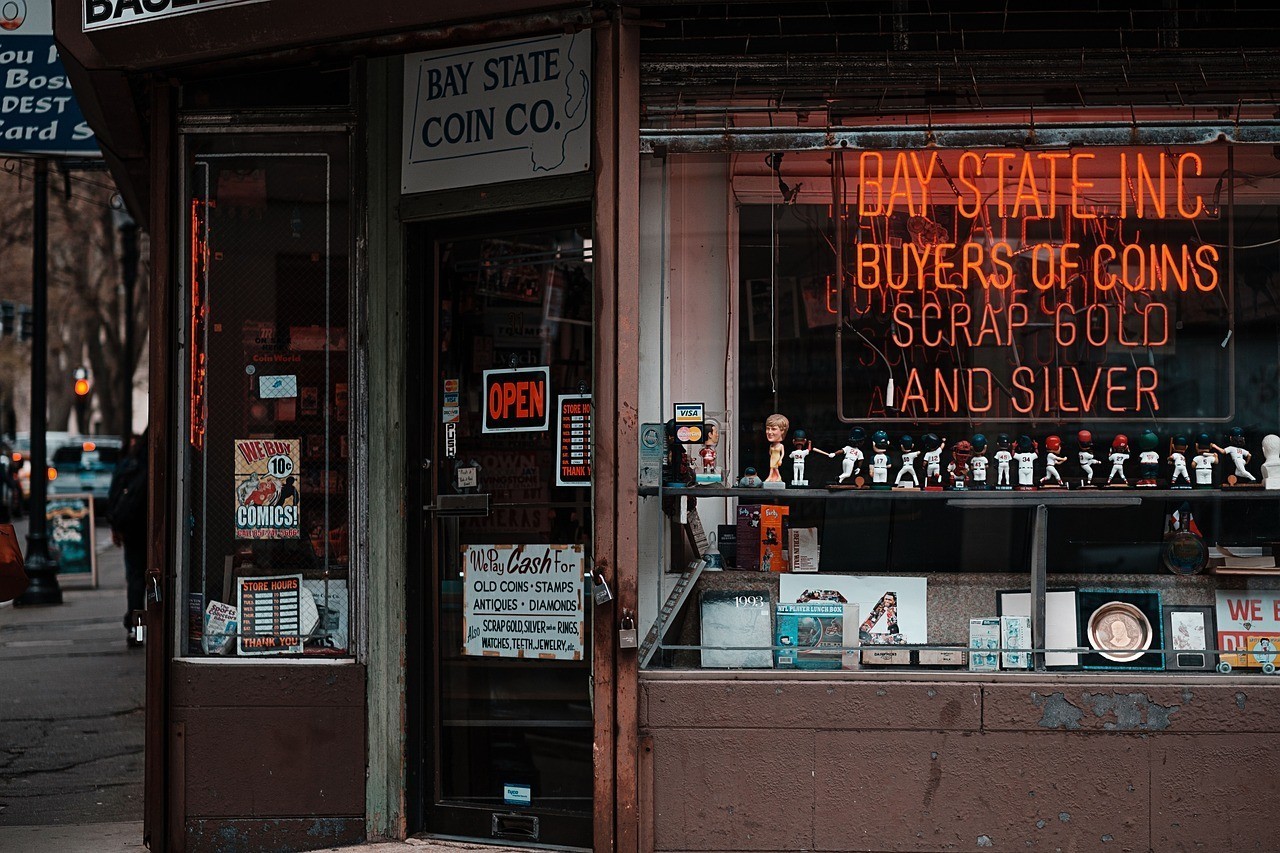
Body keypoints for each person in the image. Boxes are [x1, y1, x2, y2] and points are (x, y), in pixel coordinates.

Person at [108, 428, 148, 648]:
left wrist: (116, 526)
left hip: (132, 529)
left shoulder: (129, 464)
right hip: (155, 529)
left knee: (136, 581)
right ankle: (166, 633)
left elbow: (114, 495)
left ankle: (137, 631)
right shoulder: (161, 462)